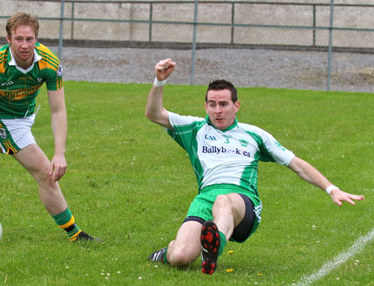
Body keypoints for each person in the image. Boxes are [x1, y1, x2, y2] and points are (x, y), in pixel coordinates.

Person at [145, 58, 364, 274]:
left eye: (223, 104)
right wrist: (159, 81)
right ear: (206, 106)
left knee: (224, 201)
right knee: (181, 257)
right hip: (205, 197)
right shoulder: (195, 129)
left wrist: (331, 188)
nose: (217, 110)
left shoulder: (254, 134)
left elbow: (296, 164)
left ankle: (212, 249)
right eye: (212, 105)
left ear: (236, 105)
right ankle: (169, 253)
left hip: (242, 200)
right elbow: (154, 114)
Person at [0, 12, 99, 242]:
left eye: (29, 39)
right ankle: (75, 234)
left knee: (1, 145)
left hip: (26, 115)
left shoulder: (50, 63)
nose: (24, 45)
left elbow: (58, 110)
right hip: (1, 118)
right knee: (46, 173)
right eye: (18, 39)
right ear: (8, 39)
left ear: (36, 38)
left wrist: (60, 153)